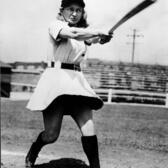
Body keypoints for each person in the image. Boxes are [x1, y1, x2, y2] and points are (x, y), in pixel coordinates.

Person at [25, 0, 112, 167]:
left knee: (89, 129)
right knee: (51, 135)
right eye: (71, 9)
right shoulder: (56, 25)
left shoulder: (84, 33)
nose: (74, 13)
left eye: (78, 10)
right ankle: (35, 149)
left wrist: (102, 38)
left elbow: (91, 39)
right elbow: (73, 33)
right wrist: (99, 31)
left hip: (77, 82)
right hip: (55, 82)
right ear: (62, 10)